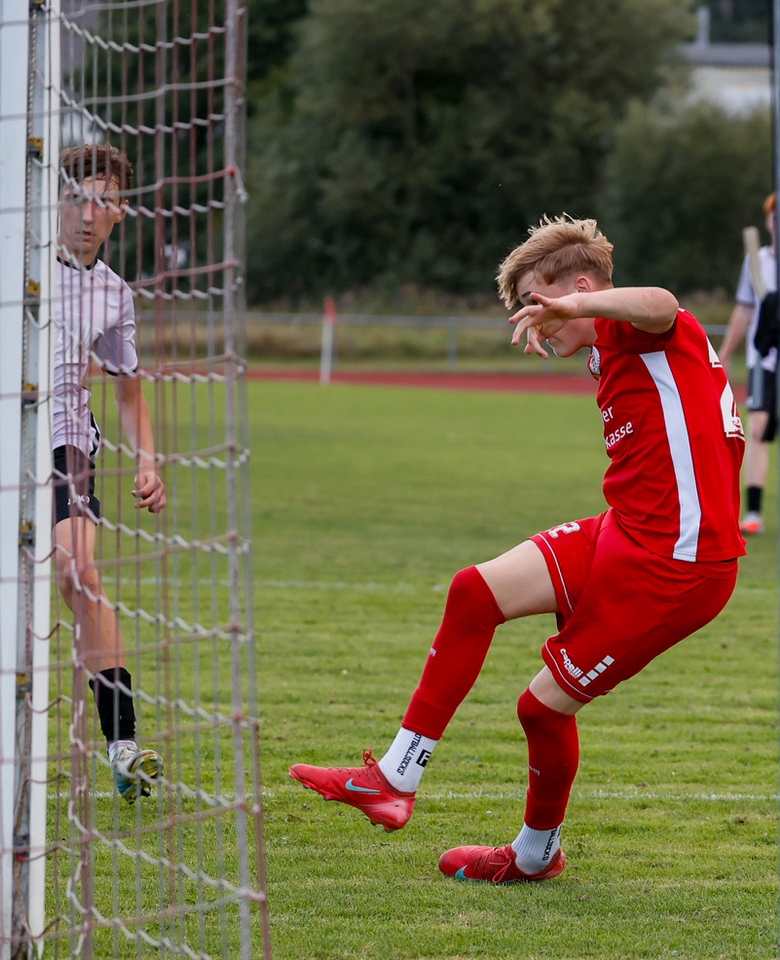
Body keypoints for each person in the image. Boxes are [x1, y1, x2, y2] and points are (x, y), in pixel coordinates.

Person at [290, 216, 746, 883]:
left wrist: (575, 310)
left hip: (677, 566)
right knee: (472, 592)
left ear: (580, 289)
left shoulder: (643, 327)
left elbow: (661, 302)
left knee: (541, 708)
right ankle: (393, 777)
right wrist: (567, 319)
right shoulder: (607, 349)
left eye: (538, 303)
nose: (534, 321)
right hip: (623, 531)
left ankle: (535, 856)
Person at [0, 143, 167, 802]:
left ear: (120, 212)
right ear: (56, 201)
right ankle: (13, 759)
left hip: (62, 443)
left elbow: (129, 388)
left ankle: (124, 745)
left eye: (104, 203)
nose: (87, 215)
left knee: (80, 574)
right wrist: (11, 335)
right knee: (17, 612)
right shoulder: (2, 255)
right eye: (77, 199)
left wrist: (148, 459)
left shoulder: (113, 294)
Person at [718, 192, 778, 536]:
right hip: (763, 359)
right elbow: (744, 309)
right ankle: (753, 512)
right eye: (774, 216)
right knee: (757, 428)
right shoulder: (757, 261)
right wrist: (725, 354)